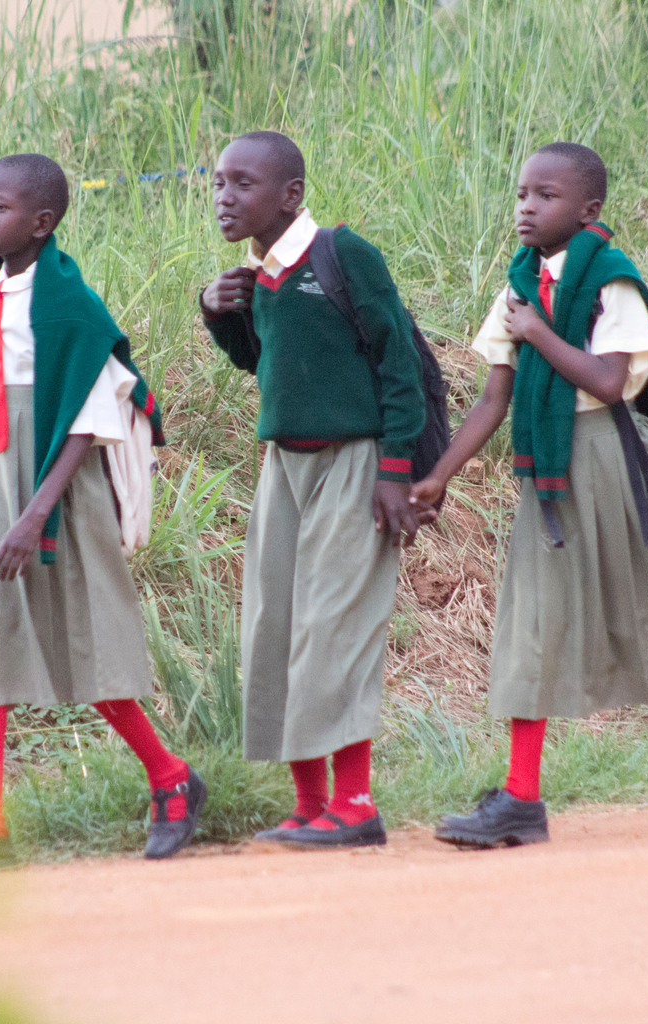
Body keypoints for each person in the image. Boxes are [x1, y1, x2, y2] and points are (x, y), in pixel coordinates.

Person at [410, 142, 648, 848]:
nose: (526, 207)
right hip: (547, 470)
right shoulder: (519, 283)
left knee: (646, 615)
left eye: (546, 196)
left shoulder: (612, 281)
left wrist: (537, 330)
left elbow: (605, 382)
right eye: (521, 195)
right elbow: (493, 399)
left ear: (589, 210)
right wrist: (439, 474)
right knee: (530, 623)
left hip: (608, 458)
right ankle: (520, 799)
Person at [0, 153, 202, 874]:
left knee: (87, 640)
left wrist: (35, 513)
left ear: (41, 224)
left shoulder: (69, 301)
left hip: (61, 488)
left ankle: (172, 780)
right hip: (3, 479)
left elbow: (92, 410)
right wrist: (1, 497)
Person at [199, 131, 426, 849]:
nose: (224, 197)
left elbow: (400, 366)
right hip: (283, 470)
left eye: (243, 184)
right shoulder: (257, 271)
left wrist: (396, 468)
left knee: (335, 626)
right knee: (276, 623)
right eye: (218, 183)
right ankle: (308, 805)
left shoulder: (342, 254)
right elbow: (262, 365)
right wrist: (216, 312)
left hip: (355, 464)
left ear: (290, 194)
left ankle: (356, 806)